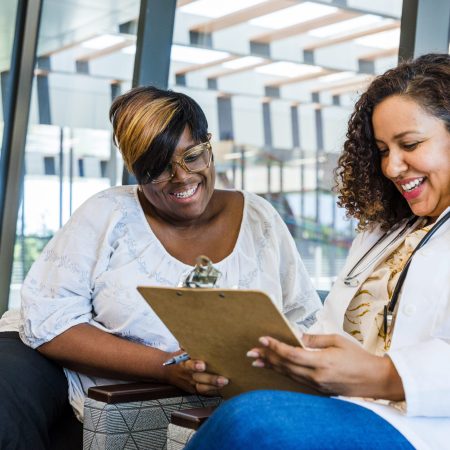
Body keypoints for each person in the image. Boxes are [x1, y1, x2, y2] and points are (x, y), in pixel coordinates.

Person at [0, 85, 321, 427]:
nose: (182, 177)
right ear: (135, 170)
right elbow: (49, 321)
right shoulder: (108, 212)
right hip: (70, 375)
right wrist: (165, 367)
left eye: (193, 155)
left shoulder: (260, 218)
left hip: (227, 398)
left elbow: (304, 319)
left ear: (208, 144)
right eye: (158, 167)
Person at [184, 53, 450, 450]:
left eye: (409, 144)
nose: (392, 167)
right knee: (249, 410)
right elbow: (328, 332)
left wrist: (383, 375)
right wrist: (268, 354)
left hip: (427, 429)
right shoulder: (382, 232)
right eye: (381, 150)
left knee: (254, 422)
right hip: (349, 409)